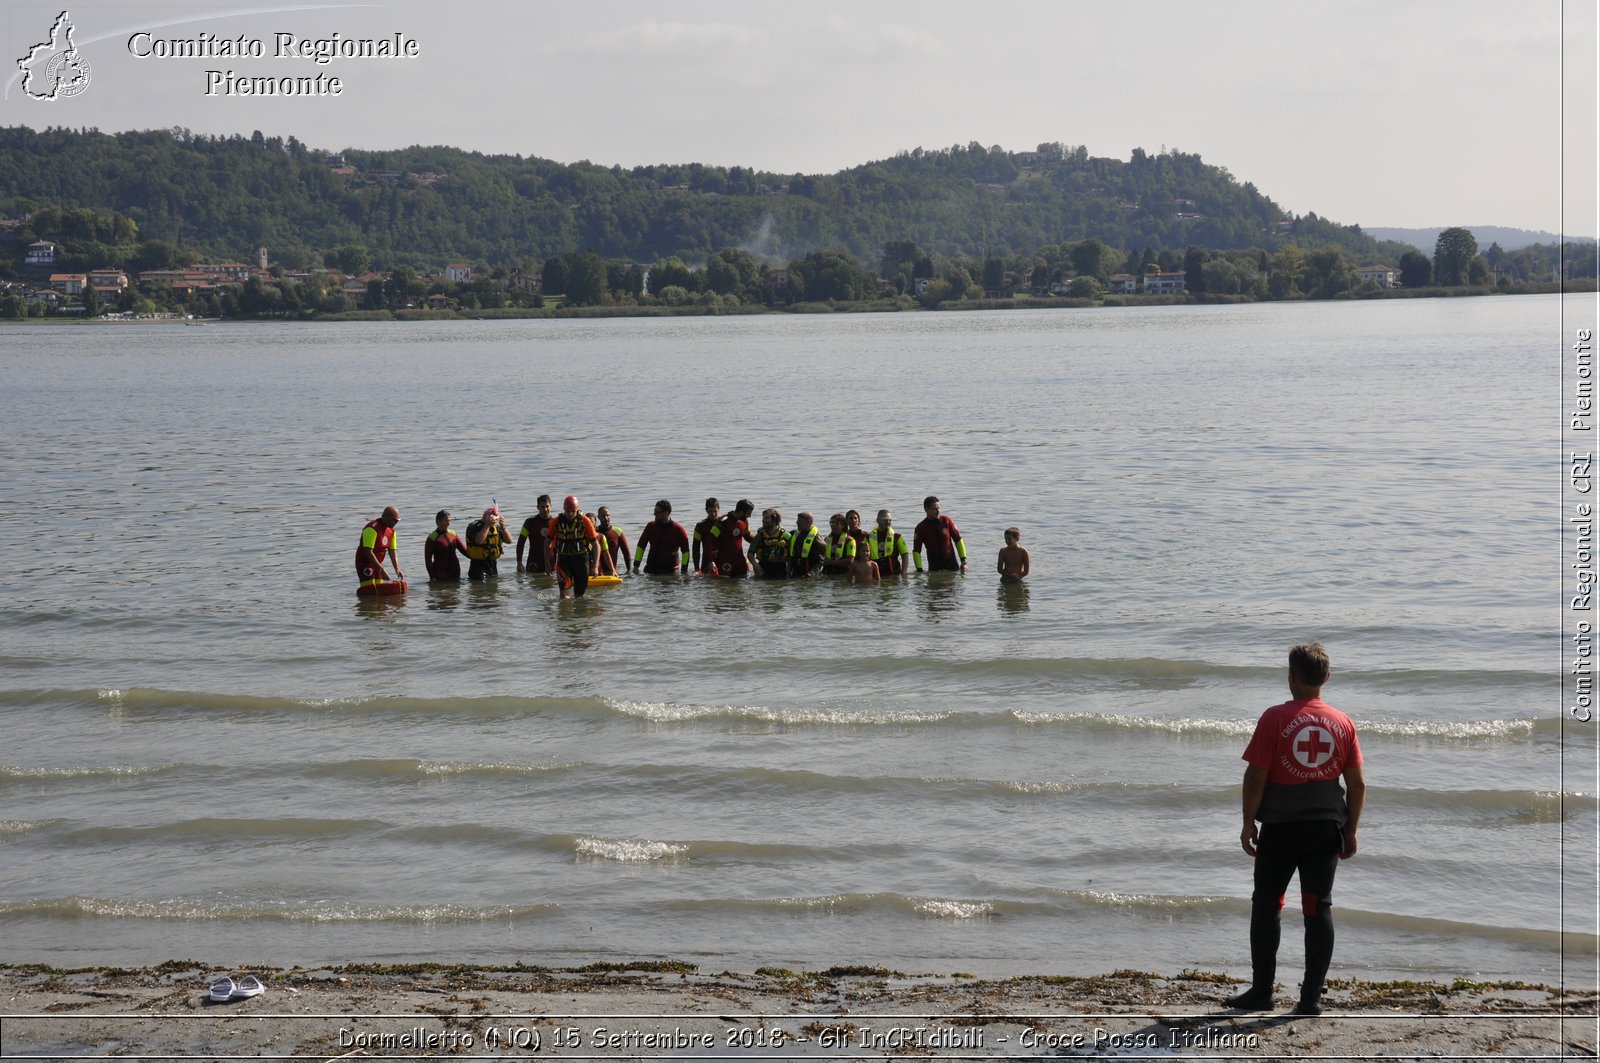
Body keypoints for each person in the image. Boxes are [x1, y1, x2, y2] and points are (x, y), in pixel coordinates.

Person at [1227, 643, 1365, 1016]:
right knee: (1317, 909)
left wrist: (1247, 823)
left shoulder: (1274, 718)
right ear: (1327, 678)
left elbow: (1256, 776)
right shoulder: (1342, 722)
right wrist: (1350, 830)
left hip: (1282, 829)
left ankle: (1261, 993)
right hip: (1325, 828)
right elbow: (1357, 785)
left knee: (1267, 906)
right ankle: (1310, 1000)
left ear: (1291, 677)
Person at [549, 495, 599, 597]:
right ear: (564, 510)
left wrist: (595, 566)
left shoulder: (585, 521)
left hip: (581, 562)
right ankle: (565, 610)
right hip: (563, 561)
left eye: (573, 511)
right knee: (564, 596)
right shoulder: (556, 522)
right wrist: (547, 563)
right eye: (568, 511)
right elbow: (547, 542)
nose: (570, 514)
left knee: (580, 596)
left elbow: (596, 545)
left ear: (577, 510)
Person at [634, 499, 691, 574]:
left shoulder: (678, 529)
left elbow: (686, 551)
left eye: (657, 512)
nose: (654, 514)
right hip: (650, 570)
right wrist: (636, 566)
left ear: (666, 513)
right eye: (654, 511)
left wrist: (684, 571)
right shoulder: (650, 526)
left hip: (671, 572)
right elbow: (641, 546)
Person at [913, 495, 968, 572]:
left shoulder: (947, 521)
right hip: (934, 570)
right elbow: (916, 551)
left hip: (952, 568)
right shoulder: (921, 528)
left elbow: (958, 540)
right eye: (934, 509)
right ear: (926, 509)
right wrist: (919, 570)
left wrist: (963, 561)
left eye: (938, 508)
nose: (938, 511)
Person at [355, 506, 404, 588]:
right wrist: (381, 570)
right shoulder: (372, 528)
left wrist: (397, 569)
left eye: (397, 521)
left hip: (378, 564)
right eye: (394, 520)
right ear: (386, 517)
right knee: (369, 588)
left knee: (380, 588)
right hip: (365, 563)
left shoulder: (392, 531)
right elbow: (368, 552)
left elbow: (392, 551)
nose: (396, 523)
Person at [423, 510, 472, 581]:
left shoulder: (453, 534)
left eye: (450, 521)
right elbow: (428, 561)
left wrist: (477, 559)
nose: (449, 523)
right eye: (446, 521)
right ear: (438, 522)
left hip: (455, 571)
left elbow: (464, 551)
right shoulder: (432, 538)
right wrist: (432, 577)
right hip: (441, 573)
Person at [464, 506, 511, 580]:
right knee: (481, 587)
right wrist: (487, 525)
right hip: (478, 565)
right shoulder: (473, 527)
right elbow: (479, 541)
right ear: (485, 515)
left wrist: (503, 527)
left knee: (493, 588)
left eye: (496, 516)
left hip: (492, 564)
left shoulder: (496, 528)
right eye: (492, 516)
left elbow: (509, 541)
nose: (494, 518)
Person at [712, 498, 755, 578]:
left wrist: (761, 540)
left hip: (740, 561)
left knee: (742, 584)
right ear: (741, 511)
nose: (750, 516)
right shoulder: (721, 522)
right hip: (724, 561)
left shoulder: (744, 522)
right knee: (724, 586)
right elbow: (709, 542)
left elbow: (748, 536)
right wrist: (710, 561)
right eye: (748, 513)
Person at [749, 508, 793, 579]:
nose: (763, 520)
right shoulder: (759, 536)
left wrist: (788, 574)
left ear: (775, 520)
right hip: (763, 569)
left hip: (781, 570)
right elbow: (750, 553)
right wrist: (756, 566)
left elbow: (790, 557)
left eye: (766, 518)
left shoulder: (786, 536)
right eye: (763, 518)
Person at [517, 495, 554, 574]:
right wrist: (519, 562)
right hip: (534, 563)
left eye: (547, 506)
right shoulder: (529, 523)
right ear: (538, 507)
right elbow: (521, 542)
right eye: (542, 507)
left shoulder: (555, 523)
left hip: (552, 563)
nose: (545, 509)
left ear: (551, 506)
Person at [868, 508, 910, 577]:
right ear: (877, 521)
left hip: (893, 575)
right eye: (884, 520)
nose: (887, 522)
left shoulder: (898, 537)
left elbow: (905, 556)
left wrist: (903, 573)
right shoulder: (868, 538)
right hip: (875, 575)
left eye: (889, 520)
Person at [594, 506, 631, 575]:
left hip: (612, 572)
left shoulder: (617, 532)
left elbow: (626, 553)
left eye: (607, 515)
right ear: (598, 517)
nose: (606, 518)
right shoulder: (594, 532)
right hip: (598, 573)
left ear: (610, 516)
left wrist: (629, 571)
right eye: (603, 516)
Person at [788, 512, 828, 577]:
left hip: (808, 575)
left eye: (799, 520)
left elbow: (820, 562)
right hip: (795, 573)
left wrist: (810, 574)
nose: (797, 522)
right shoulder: (794, 534)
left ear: (808, 522)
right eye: (797, 520)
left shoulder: (817, 540)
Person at [693, 497, 721, 574]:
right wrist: (696, 568)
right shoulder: (700, 526)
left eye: (715, 511)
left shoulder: (724, 524)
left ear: (719, 509)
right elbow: (696, 548)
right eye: (710, 511)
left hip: (722, 559)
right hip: (706, 561)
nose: (713, 514)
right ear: (706, 510)